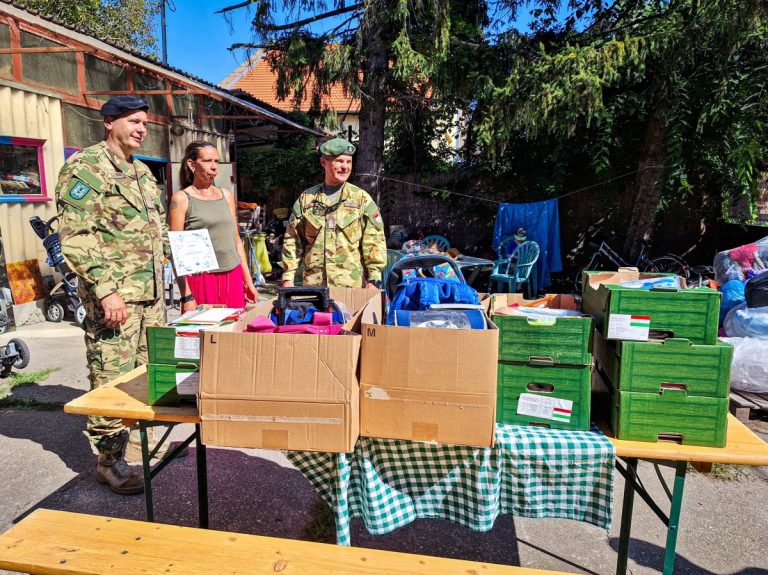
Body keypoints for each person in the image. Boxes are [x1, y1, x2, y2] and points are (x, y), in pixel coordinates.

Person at [56, 96, 168, 495]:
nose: (141, 128)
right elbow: (76, 237)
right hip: (116, 299)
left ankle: (139, 447)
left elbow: (156, 233)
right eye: (133, 121)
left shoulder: (142, 172)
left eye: (144, 123)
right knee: (112, 378)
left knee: (150, 372)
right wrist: (105, 292)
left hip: (152, 296)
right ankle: (109, 462)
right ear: (109, 123)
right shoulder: (86, 168)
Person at [281, 138, 387, 289]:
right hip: (314, 287)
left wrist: (374, 279)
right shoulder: (306, 199)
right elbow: (292, 240)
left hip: (351, 288)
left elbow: (375, 242)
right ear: (324, 162)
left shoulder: (361, 199)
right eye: (339, 161)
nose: (345, 167)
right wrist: (288, 278)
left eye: (348, 162)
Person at [168, 141, 258, 312]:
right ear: (192, 164)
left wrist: (248, 281)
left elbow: (236, 241)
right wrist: (186, 295)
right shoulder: (181, 199)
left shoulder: (226, 195)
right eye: (208, 161)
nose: (214, 166)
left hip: (232, 275)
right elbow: (176, 252)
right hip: (201, 279)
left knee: (233, 333)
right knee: (202, 334)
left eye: (216, 161)